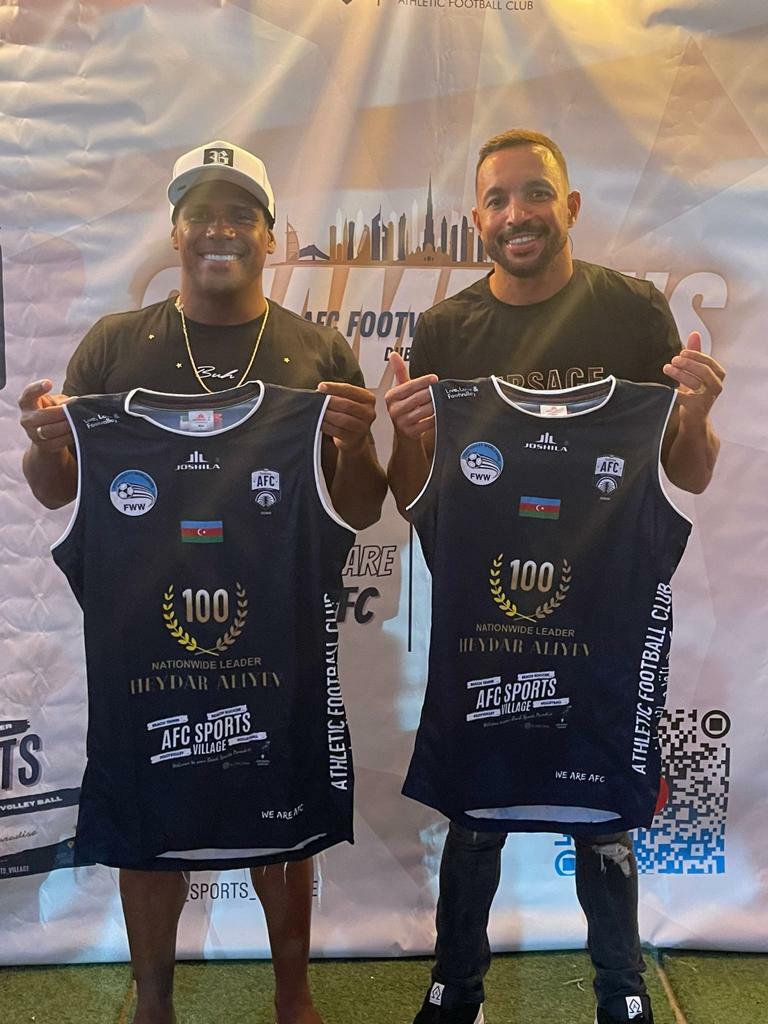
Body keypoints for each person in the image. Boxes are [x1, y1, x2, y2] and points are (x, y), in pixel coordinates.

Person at [18, 139, 387, 1024]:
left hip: (280, 631)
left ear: (271, 234)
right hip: (144, 635)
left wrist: (352, 443)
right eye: (202, 215)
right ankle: (154, 1004)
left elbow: (361, 505)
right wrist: (45, 446)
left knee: (283, 813)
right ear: (176, 230)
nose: (221, 230)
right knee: (149, 818)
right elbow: (58, 492)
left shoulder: (316, 350)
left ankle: (292, 995)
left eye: (241, 215)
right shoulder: (115, 346)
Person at [385, 129, 725, 1024]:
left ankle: (623, 991)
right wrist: (410, 434)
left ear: (569, 206)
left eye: (535, 193)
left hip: (606, 614)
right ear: (476, 221)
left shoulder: (632, 313)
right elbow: (414, 496)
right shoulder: (447, 330)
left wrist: (694, 415)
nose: (517, 214)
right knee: (476, 810)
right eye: (498, 200)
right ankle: (455, 988)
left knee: (605, 813)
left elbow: (685, 475)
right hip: (488, 619)